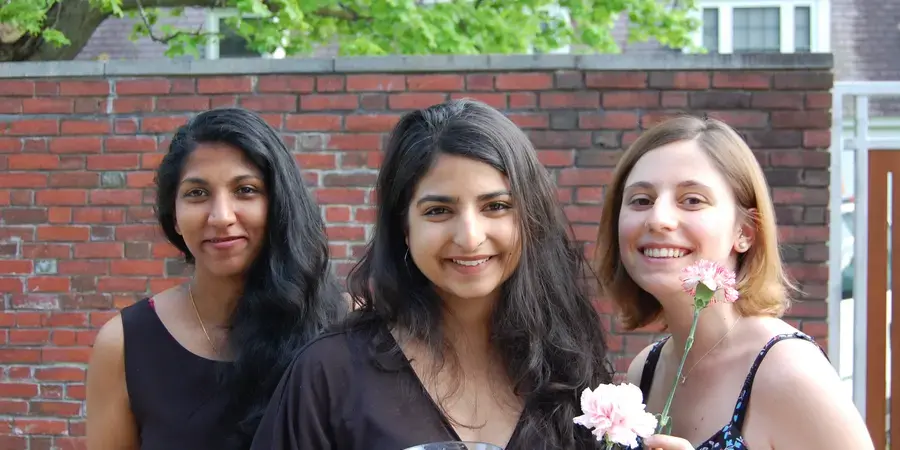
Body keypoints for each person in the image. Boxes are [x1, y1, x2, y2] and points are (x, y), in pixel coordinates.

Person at [249, 98, 615, 450]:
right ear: (403, 227)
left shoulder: (569, 364)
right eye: (438, 211)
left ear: (530, 218)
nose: (470, 237)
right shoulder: (330, 372)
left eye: (496, 206)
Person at [593, 115, 873, 449]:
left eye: (692, 200)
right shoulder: (647, 370)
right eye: (641, 200)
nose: (658, 219)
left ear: (744, 232)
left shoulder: (787, 372)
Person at [85, 107, 347, 450]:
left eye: (246, 190)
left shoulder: (346, 326)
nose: (221, 216)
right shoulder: (123, 345)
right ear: (174, 217)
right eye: (197, 193)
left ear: (280, 204)